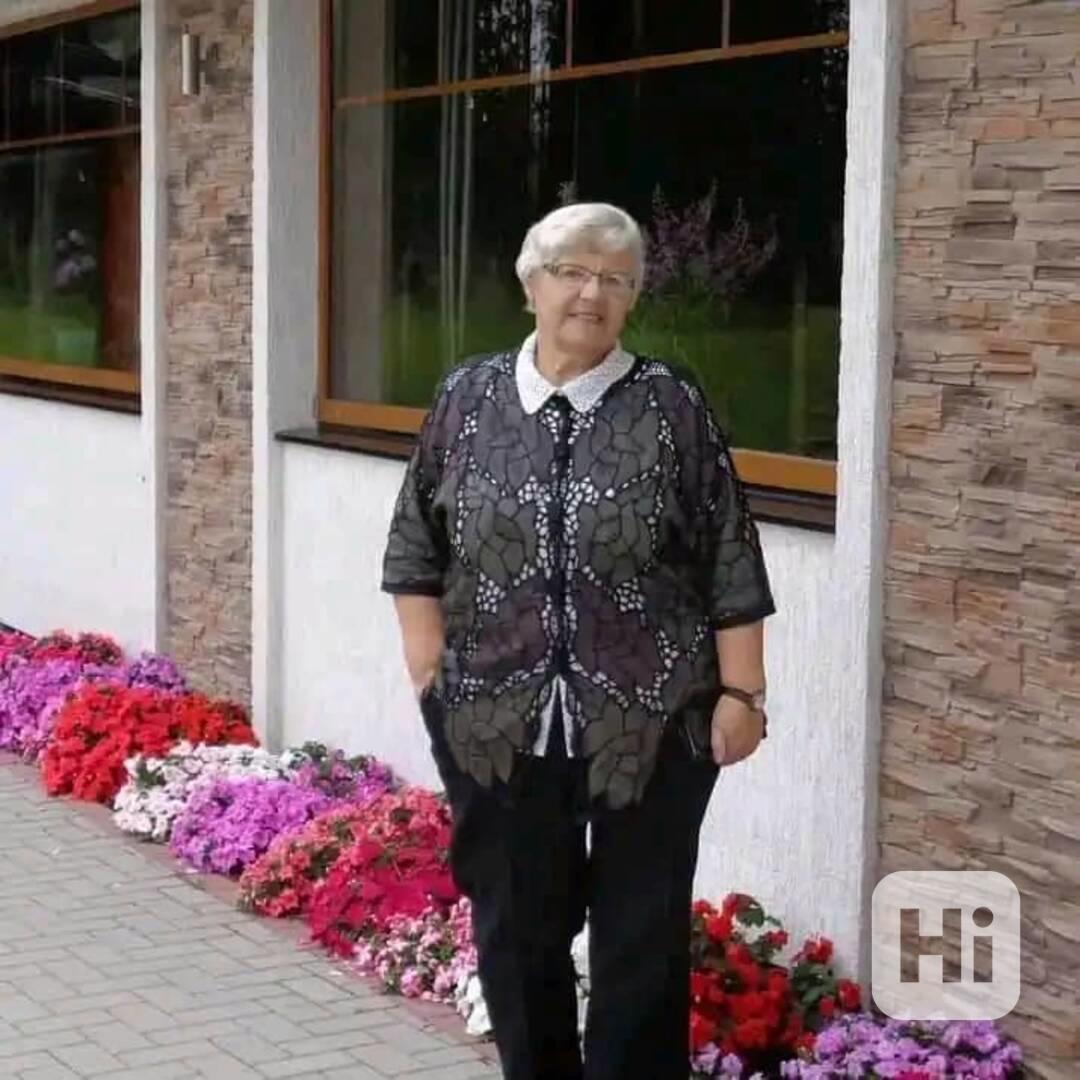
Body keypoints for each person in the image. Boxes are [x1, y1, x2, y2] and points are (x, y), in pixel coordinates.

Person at [381, 202, 775, 1080]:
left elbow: (728, 551)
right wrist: (431, 673)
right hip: (495, 718)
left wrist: (744, 694)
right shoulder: (468, 397)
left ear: (632, 298)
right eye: (572, 272)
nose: (591, 293)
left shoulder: (670, 404)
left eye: (615, 279)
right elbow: (415, 544)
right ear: (532, 285)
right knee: (517, 927)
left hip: (656, 717)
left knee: (642, 934)